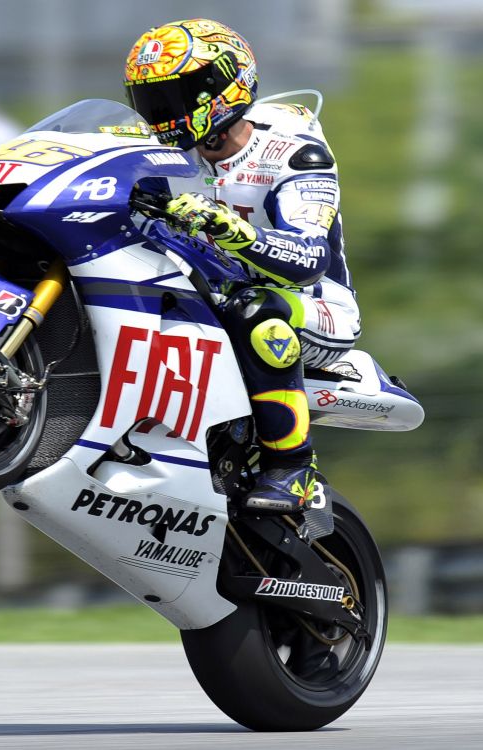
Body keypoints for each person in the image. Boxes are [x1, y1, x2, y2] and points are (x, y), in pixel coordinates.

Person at [124, 19, 359, 514]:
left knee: (254, 309)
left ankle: (293, 467)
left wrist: (234, 230)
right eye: (151, 101)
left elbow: (310, 260)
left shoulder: (296, 153)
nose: (163, 115)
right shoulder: (162, 156)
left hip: (314, 306)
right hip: (212, 293)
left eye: (177, 96)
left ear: (225, 88)